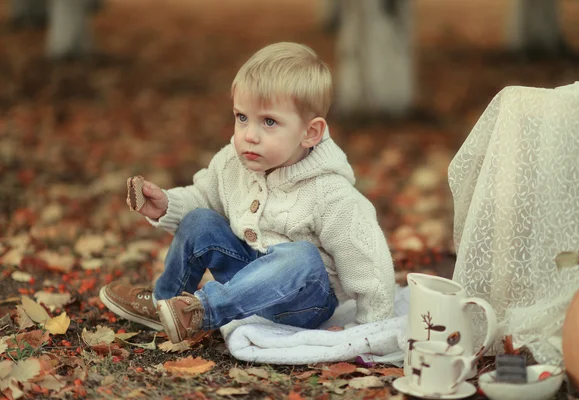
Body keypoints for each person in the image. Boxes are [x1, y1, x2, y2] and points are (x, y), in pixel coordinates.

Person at [99, 42, 396, 344]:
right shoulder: (233, 161)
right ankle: (166, 304)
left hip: (302, 302)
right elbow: (204, 198)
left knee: (302, 256)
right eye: (242, 117)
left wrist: (365, 328)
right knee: (200, 220)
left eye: (269, 122)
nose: (249, 135)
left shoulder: (330, 193)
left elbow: (369, 265)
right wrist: (167, 205)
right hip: (243, 276)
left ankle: (203, 311)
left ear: (310, 133)